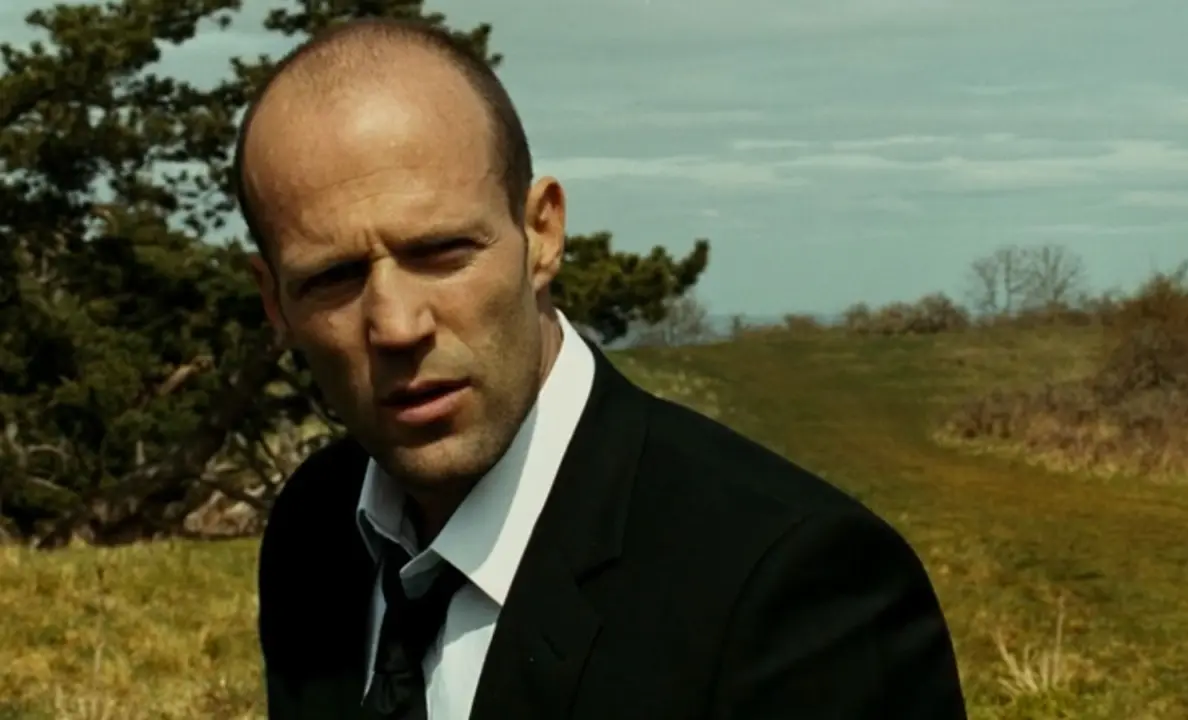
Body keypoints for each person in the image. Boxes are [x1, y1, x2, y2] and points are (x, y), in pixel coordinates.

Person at [239, 16, 967, 720]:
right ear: (275, 304)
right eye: (333, 278)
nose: (398, 326)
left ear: (542, 235)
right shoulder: (316, 530)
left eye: (441, 252)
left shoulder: (797, 591)